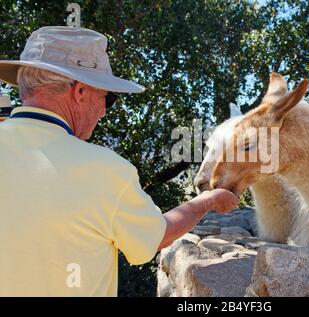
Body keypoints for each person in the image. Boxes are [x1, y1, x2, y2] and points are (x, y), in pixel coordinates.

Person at [0, 26, 239, 296]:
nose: (103, 111)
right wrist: (207, 200)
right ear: (79, 91)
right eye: (107, 98)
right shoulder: (105, 170)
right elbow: (158, 235)